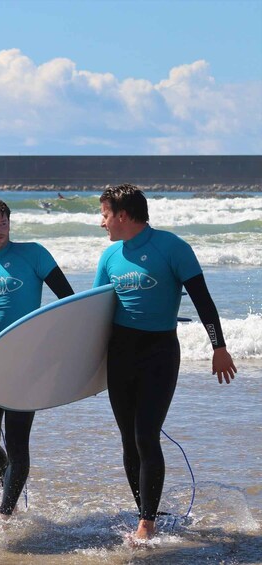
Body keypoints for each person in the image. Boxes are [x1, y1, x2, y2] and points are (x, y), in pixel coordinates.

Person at [94, 184, 237, 540]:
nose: (102, 223)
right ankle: (146, 510)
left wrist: (218, 347)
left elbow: (203, 300)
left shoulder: (173, 248)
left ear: (123, 215)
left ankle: (147, 523)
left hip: (159, 353)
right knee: (129, 439)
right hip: (120, 354)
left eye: (105, 214)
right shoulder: (109, 258)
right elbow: (93, 315)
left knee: (146, 435)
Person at [0, 197, 74, 517]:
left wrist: (67, 349)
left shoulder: (34, 254)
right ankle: (11, 485)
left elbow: (70, 303)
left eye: (4, 223)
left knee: (18, 443)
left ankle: (5, 514)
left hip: (27, 361)